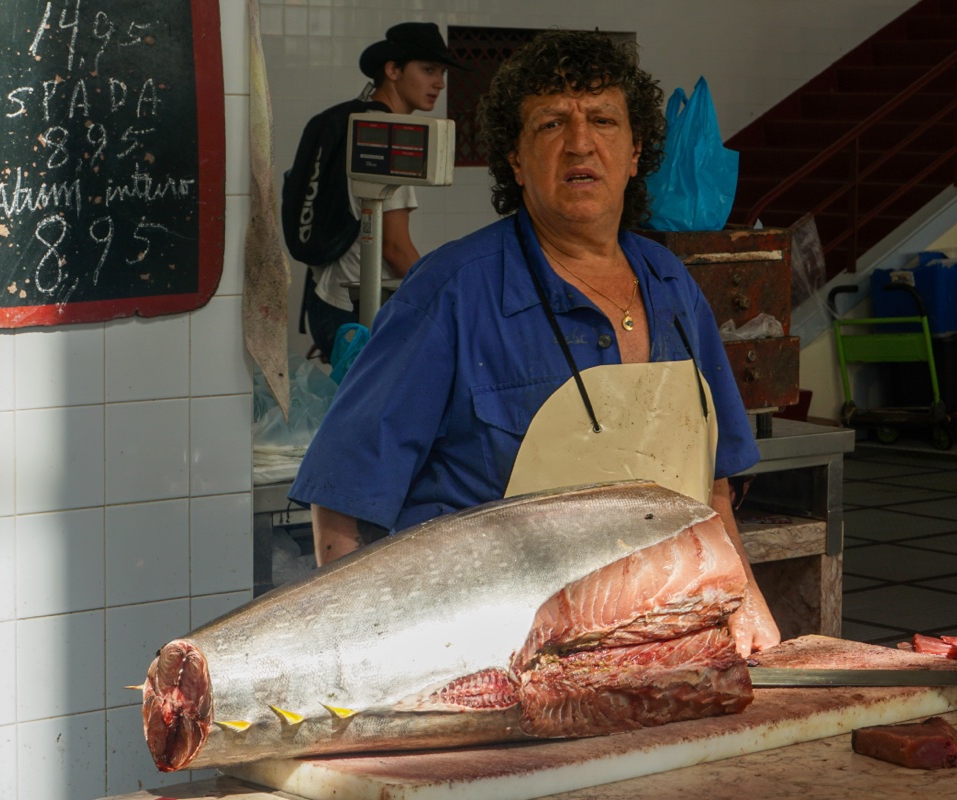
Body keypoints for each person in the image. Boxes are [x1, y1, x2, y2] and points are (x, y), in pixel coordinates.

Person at [290, 30, 781, 655]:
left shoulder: (672, 286)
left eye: (603, 120)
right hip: (483, 653)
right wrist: (357, 665)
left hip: (651, 642)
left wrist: (755, 627)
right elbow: (342, 501)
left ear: (635, 153)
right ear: (516, 161)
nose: (581, 142)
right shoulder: (451, 292)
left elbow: (712, 490)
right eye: (551, 125)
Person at [301, 22, 460, 361]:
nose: (439, 84)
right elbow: (395, 247)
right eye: (428, 69)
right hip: (356, 307)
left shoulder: (354, 121)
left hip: (325, 299)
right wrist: (443, 297)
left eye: (442, 73)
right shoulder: (388, 133)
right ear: (392, 70)